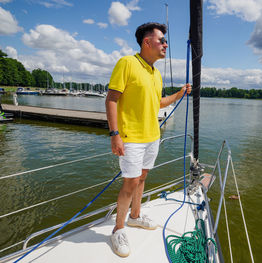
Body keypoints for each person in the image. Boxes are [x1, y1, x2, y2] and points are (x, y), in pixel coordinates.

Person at [105, 22, 191, 258]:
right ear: (147, 42)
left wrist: (179, 93)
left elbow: (158, 103)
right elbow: (111, 99)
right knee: (130, 183)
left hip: (152, 136)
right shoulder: (127, 63)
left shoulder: (156, 73)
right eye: (162, 40)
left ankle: (134, 216)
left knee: (142, 178)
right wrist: (115, 135)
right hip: (131, 137)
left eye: (165, 41)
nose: (165, 45)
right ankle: (118, 229)